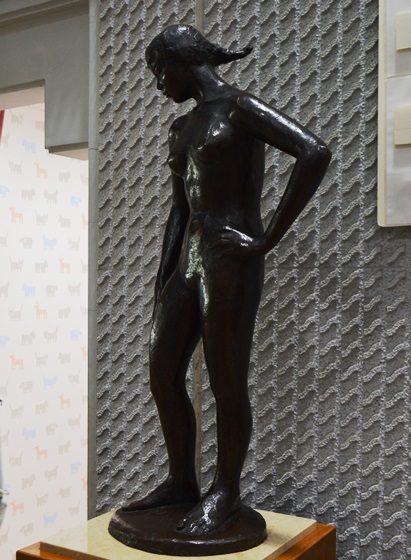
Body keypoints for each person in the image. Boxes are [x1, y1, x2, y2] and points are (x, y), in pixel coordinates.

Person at [122, 24, 331, 535]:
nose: (158, 85)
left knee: (225, 379)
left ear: (180, 61)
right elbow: (179, 211)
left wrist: (266, 238)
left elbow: (314, 152)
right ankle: (180, 481)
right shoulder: (181, 127)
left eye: (159, 72)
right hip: (188, 260)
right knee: (162, 371)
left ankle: (226, 491)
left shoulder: (239, 108)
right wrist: (163, 277)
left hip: (229, 260)